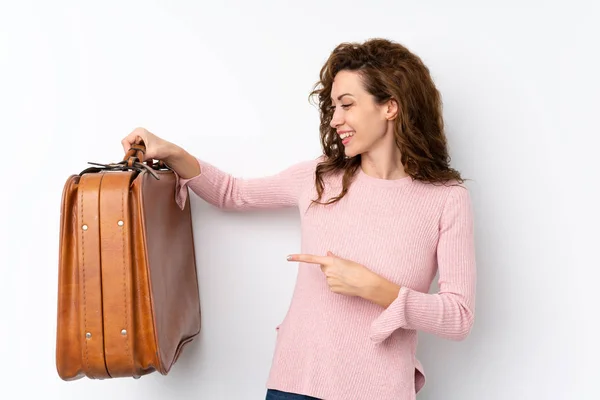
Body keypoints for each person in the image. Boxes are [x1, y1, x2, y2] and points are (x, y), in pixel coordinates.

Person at [122, 38, 476, 400]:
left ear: (390, 106)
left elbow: (458, 315)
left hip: (381, 390)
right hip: (296, 385)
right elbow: (233, 193)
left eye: (347, 105)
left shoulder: (446, 199)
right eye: (333, 106)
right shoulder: (319, 177)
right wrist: (171, 152)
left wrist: (373, 287)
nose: (335, 119)